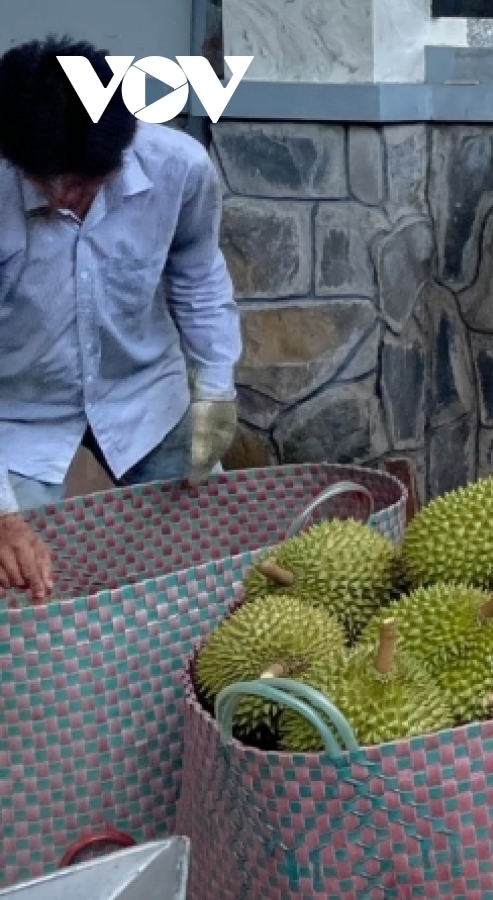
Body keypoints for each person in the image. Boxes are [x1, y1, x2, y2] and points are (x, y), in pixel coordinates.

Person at [0, 37, 240, 603]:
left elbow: (198, 277)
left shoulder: (178, 168)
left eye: (85, 185)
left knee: (222, 553)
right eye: (47, 182)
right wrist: (4, 518)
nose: (65, 198)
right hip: (16, 412)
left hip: (142, 392)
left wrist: (215, 390)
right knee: (20, 586)